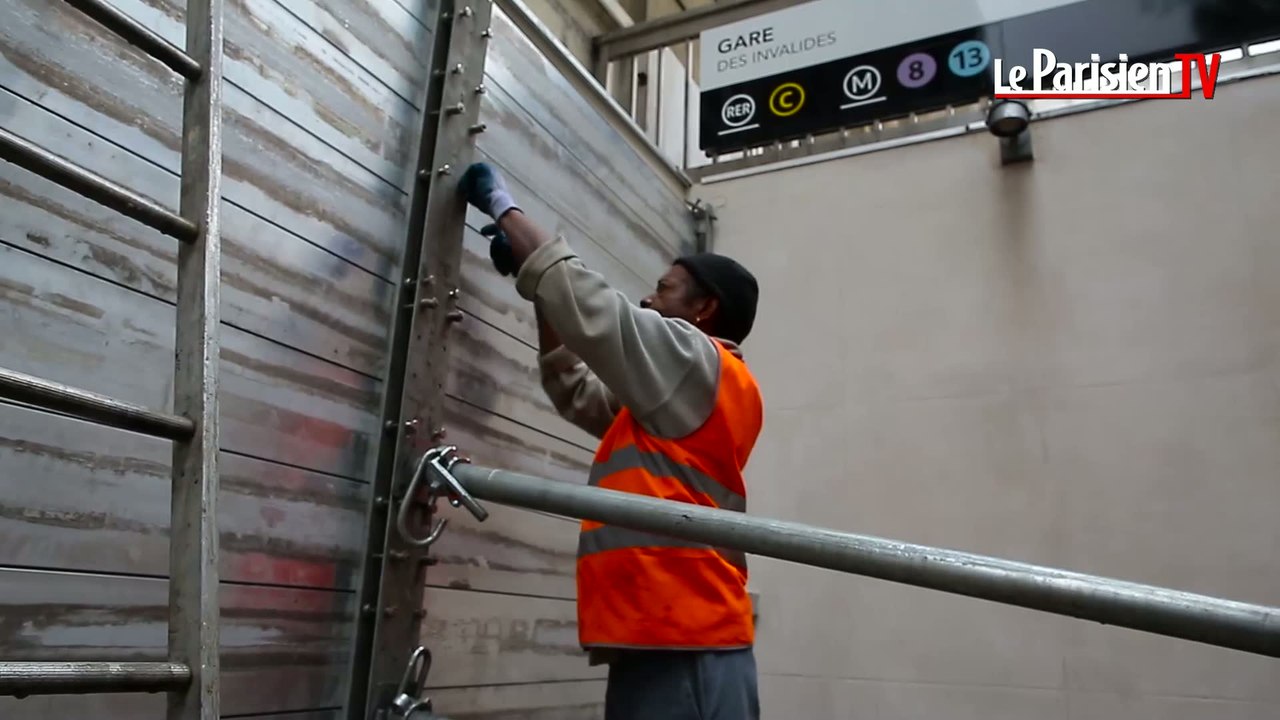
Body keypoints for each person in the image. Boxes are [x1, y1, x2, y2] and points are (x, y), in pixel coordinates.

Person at [459, 162, 764, 720]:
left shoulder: (698, 362)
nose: (648, 299)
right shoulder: (674, 397)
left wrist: (504, 206)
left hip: (684, 636)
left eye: (664, 289)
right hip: (663, 632)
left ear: (704, 309)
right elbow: (574, 389)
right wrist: (542, 294)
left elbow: (596, 308)